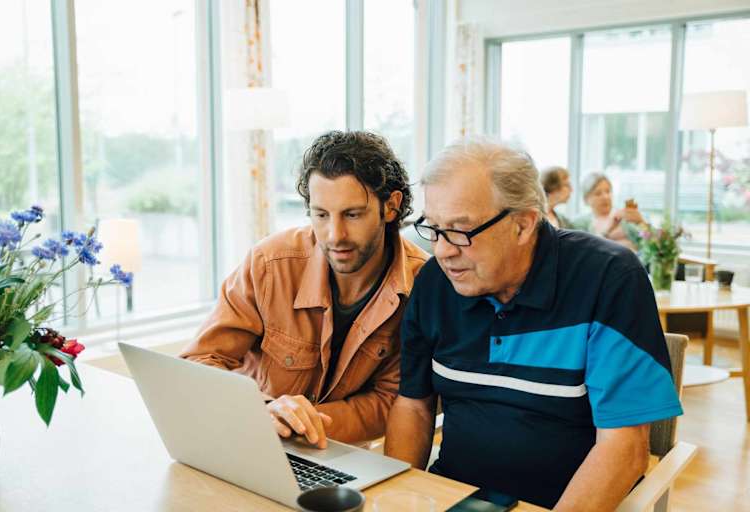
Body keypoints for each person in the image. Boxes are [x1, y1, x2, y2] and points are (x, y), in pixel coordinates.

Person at [384, 137, 683, 511]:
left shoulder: (608, 279)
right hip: (457, 500)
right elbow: (413, 406)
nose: (443, 250)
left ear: (523, 225)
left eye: (461, 230)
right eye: (435, 229)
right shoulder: (435, 283)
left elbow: (624, 447)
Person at [181, 131, 428, 447]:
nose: (335, 235)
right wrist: (266, 411)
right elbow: (199, 363)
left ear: (390, 206)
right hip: (252, 438)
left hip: (339, 451)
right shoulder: (269, 263)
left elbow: (393, 402)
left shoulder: (421, 285)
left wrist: (304, 421)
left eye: (352, 214)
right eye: (321, 215)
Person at [573, 172, 646, 251]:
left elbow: (652, 244)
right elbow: (587, 251)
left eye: (608, 191)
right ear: (586, 199)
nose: (605, 197)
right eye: (598, 193)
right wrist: (609, 230)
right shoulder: (579, 223)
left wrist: (641, 222)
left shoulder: (625, 216)